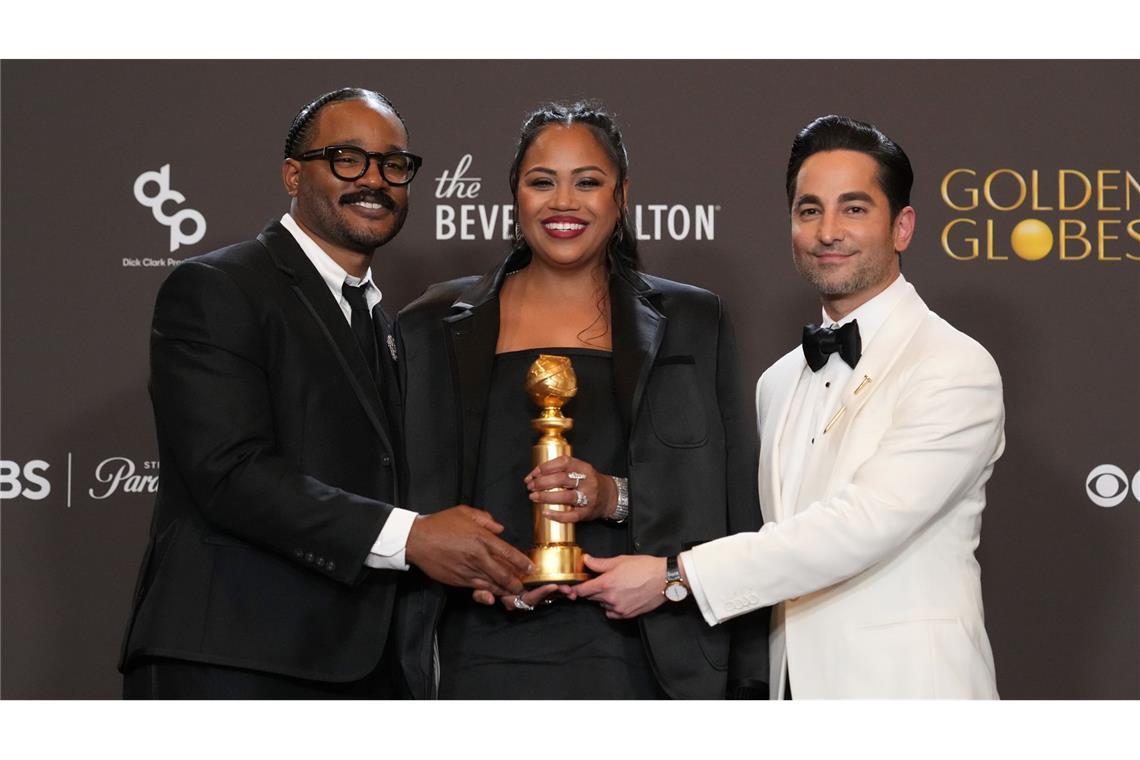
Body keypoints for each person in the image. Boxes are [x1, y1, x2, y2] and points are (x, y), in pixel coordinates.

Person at [118, 87, 532, 699]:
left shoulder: (385, 323)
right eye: (347, 158)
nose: (375, 180)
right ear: (293, 173)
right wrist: (413, 537)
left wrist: (484, 559)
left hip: (358, 664)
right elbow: (228, 472)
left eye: (394, 165)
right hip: (233, 660)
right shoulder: (218, 287)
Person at [580, 115, 1005, 700]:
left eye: (854, 209)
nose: (828, 231)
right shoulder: (777, 381)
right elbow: (734, 511)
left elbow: (861, 525)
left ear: (902, 226)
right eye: (810, 210)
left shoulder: (954, 365)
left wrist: (676, 577)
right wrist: (615, 497)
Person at [395, 102, 768, 699]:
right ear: (514, 195)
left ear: (621, 198)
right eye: (542, 182)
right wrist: (482, 575)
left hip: (648, 650)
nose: (563, 202)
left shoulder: (693, 320)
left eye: (587, 182)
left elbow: (726, 500)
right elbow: (411, 506)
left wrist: (611, 496)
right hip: (481, 649)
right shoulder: (432, 324)